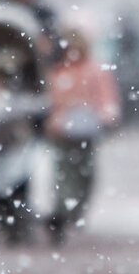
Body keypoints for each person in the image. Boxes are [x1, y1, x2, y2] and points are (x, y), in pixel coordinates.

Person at [45, 28, 121, 244]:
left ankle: (73, 209)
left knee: (84, 173)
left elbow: (106, 97)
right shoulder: (58, 71)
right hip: (61, 130)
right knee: (63, 172)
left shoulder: (94, 71)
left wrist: (106, 118)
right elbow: (50, 100)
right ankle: (61, 211)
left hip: (86, 130)